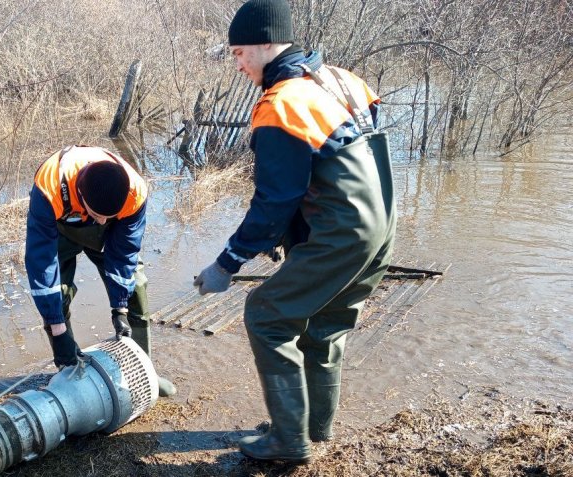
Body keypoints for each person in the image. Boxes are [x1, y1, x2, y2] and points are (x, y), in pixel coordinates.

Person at [192, 0, 396, 464]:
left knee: (265, 314)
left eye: (240, 52)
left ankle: (289, 441)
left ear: (267, 42)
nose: (237, 63)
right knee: (327, 323)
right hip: (381, 223)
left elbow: (275, 202)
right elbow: (341, 164)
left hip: (342, 233)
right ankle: (313, 427)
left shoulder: (281, 105)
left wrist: (227, 263)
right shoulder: (342, 79)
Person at [25, 145, 177, 397]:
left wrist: (120, 308)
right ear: (81, 196)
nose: (103, 220)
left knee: (135, 285)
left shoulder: (135, 192)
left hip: (110, 237)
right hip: (62, 229)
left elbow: (125, 251)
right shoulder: (49, 186)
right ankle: (70, 371)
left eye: (109, 215)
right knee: (57, 291)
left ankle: (144, 371)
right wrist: (56, 326)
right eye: (98, 214)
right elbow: (41, 263)